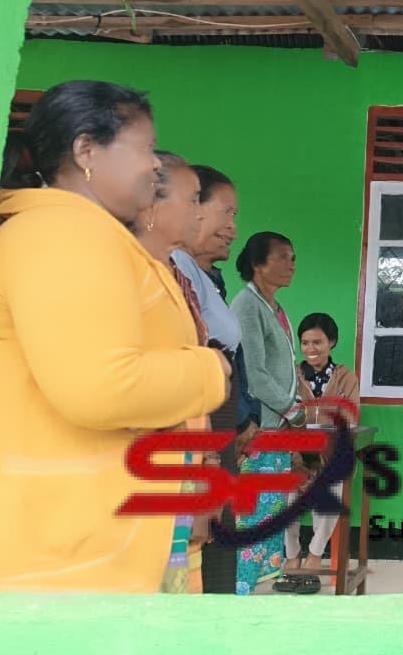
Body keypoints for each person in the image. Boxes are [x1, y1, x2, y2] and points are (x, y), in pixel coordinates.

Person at [0, 81, 229, 593]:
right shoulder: (61, 235)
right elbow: (101, 386)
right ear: (86, 151)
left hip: (86, 536)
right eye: (144, 147)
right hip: (55, 548)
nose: (155, 164)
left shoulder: (89, 234)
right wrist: (209, 371)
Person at [133, 151, 212, 594]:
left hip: (182, 458)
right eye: (193, 199)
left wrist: (203, 469)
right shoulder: (127, 271)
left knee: (177, 591)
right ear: (151, 204)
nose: (200, 213)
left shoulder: (173, 273)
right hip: (143, 466)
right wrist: (208, 369)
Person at [170, 165, 245, 595]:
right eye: (226, 212)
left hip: (219, 409)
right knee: (208, 525)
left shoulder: (203, 277)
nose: (232, 227)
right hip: (204, 411)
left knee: (218, 523)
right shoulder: (177, 267)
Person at [232, 231, 303, 595]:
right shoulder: (247, 305)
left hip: (278, 430)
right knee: (253, 516)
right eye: (283, 257)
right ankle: (240, 590)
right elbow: (255, 373)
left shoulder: (275, 307)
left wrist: (297, 404)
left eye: (293, 257)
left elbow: (284, 368)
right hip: (258, 429)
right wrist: (292, 409)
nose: (292, 265)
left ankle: (261, 587)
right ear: (258, 264)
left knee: (271, 514)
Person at [282, 313, 358, 575]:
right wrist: (299, 457)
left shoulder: (346, 378)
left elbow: (349, 418)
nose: (310, 349)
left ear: (331, 342)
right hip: (296, 456)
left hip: (330, 456)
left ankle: (315, 553)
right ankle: (292, 553)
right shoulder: (291, 376)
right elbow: (283, 420)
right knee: (287, 494)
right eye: (305, 343)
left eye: (317, 342)